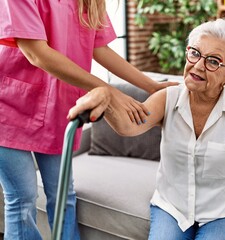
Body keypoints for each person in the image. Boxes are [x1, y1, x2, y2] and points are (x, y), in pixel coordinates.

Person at [68, 18, 225, 240]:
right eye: (195, 53)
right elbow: (128, 127)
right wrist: (105, 95)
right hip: (173, 207)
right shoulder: (168, 98)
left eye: (213, 61)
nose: (198, 65)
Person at [0, 0, 176, 239]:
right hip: (7, 108)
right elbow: (36, 53)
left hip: (56, 110)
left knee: (63, 196)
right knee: (23, 198)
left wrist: (151, 86)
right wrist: (108, 90)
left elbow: (99, 48)